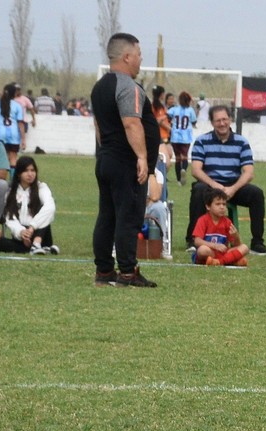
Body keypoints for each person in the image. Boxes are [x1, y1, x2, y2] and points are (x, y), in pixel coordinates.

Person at [90, 32, 159, 288]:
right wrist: (142, 157)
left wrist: (106, 151)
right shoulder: (128, 86)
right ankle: (128, 272)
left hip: (106, 158)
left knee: (107, 216)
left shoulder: (99, 87)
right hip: (124, 162)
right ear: (127, 56)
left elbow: (98, 127)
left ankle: (104, 271)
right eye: (139, 55)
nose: (141, 60)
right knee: (128, 216)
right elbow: (131, 124)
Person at [188, 105, 266, 255]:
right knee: (198, 189)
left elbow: (248, 173)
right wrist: (214, 185)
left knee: (256, 194)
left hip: (233, 186)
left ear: (230, 120)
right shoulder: (201, 141)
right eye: (218, 120)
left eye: (224, 119)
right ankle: (193, 240)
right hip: (210, 186)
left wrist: (233, 189)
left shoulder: (241, 142)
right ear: (212, 122)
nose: (222, 123)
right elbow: (196, 170)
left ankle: (257, 242)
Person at [0, 154, 56, 254]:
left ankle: (37, 244)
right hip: (21, 234)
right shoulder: (10, 192)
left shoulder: (41, 187)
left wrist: (32, 227)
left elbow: (50, 207)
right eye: (26, 171)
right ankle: (40, 249)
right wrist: (21, 232)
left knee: (46, 211)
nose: (30, 174)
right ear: (19, 173)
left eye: (32, 170)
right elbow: (10, 218)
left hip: (38, 232)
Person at [191, 188, 248, 266]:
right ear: (208, 206)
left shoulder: (227, 222)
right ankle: (230, 261)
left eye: (224, 204)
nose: (222, 207)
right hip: (209, 252)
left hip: (222, 253)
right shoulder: (202, 220)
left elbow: (236, 245)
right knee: (202, 250)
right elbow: (197, 241)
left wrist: (236, 236)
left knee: (244, 247)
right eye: (218, 204)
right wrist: (215, 246)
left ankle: (219, 262)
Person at [0, 82, 26, 165]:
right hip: (14, 135)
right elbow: (20, 124)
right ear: (14, 93)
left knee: (1, 158)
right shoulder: (17, 106)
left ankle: (1, 177)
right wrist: (23, 139)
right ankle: (12, 177)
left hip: (0, 134)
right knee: (13, 159)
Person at [168, 91, 197, 183]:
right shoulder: (190, 110)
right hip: (186, 137)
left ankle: (179, 180)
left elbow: (167, 116)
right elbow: (194, 121)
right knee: (184, 157)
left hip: (175, 136)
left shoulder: (174, 109)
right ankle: (183, 169)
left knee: (177, 158)